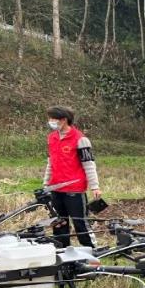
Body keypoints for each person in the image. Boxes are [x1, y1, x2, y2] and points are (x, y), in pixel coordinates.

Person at [43, 105, 101, 247]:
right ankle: (62, 252)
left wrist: (95, 186)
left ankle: (91, 250)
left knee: (80, 222)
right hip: (55, 188)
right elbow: (50, 163)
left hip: (74, 189)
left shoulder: (80, 139)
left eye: (53, 119)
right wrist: (46, 184)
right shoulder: (52, 138)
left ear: (63, 120)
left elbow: (89, 164)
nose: (50, 121)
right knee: (58, 223)